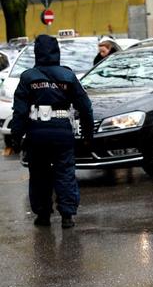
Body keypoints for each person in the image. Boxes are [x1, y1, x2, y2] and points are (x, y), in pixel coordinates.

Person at [11, 35, 94, 229]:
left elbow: (20, 112)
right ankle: (67, 216)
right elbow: (85, 107)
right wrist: (87, 135)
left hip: (37, 132)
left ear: (37, 52)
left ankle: (43, 215)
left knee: (39, 173)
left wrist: (16, 137)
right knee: (65, 172)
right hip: (62, 131)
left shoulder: (28, 77)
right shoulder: (68, 76)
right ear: (57, 51)